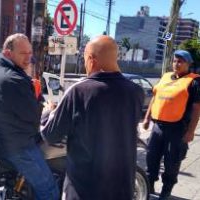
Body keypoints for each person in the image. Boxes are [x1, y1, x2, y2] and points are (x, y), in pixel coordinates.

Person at [41, 35, 144, 200]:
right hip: (122, 188)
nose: (84, 66)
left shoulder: (78, 92)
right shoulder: (136, 92)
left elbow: (51, 134)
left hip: (84, 189)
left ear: (91, 59)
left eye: (84, 60)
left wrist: (49, 112)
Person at [0, 33, 59, 200]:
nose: (28, 58)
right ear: (8, 53)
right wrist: (47, 109)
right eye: (23, 53)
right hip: (18, 146)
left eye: (30, 53)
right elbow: (34, 116)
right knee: (49, 189)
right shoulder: (15, 78)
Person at [142, 50, 200, 199]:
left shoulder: (194, 82)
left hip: (178, 129)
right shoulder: (165, 77)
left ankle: (165, 192)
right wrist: (147, 118)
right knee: (151, 159)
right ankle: (149, 187)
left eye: (181, 61)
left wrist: (191, 131)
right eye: (175, 61)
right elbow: (155, 98)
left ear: (189, 64)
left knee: (172, 163)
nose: (176, 64)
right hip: (158, 128)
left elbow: (196, 108)